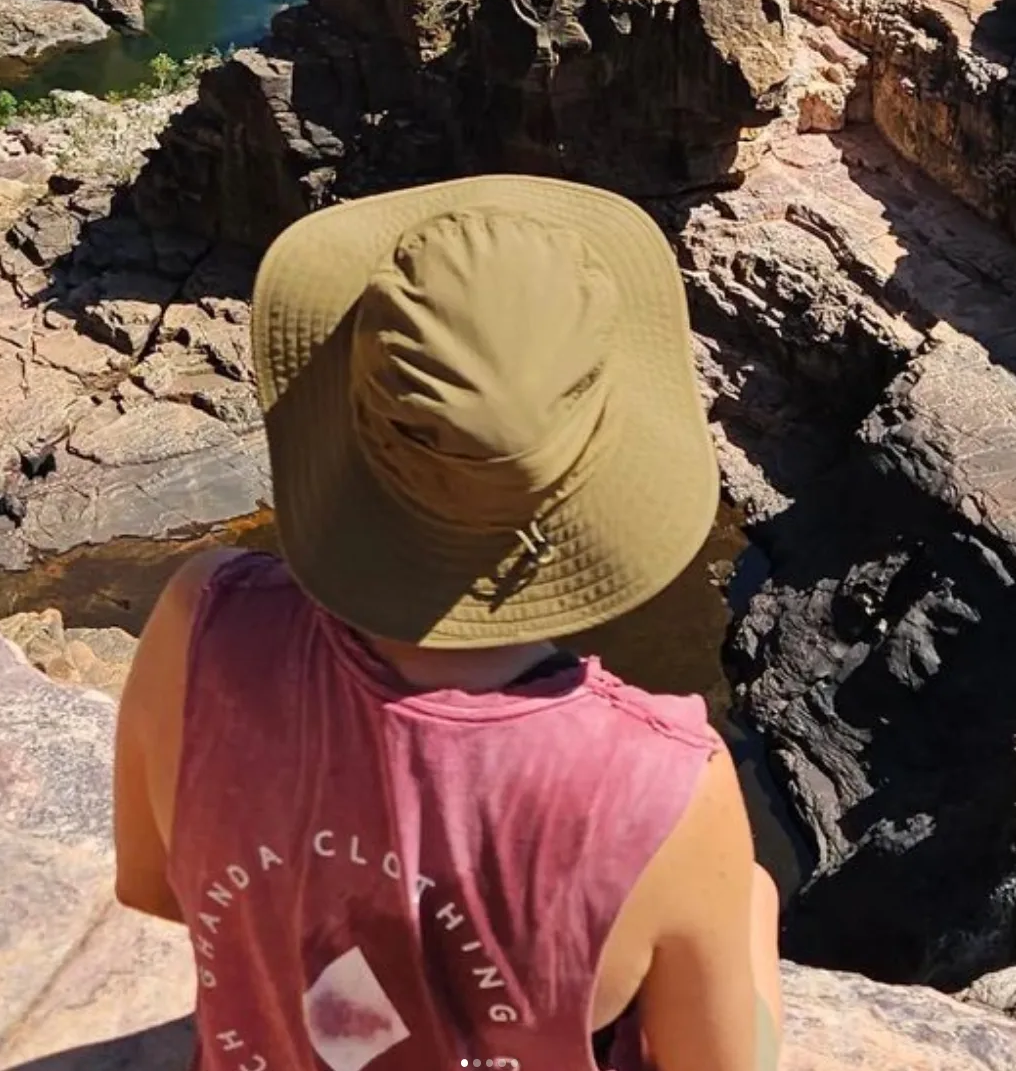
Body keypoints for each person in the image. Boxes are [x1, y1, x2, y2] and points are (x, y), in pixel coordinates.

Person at [113, 174, 784, 1071]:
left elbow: (157, 888)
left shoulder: (201, 619)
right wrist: (750, 907)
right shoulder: (663, 788)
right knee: (749, 891)